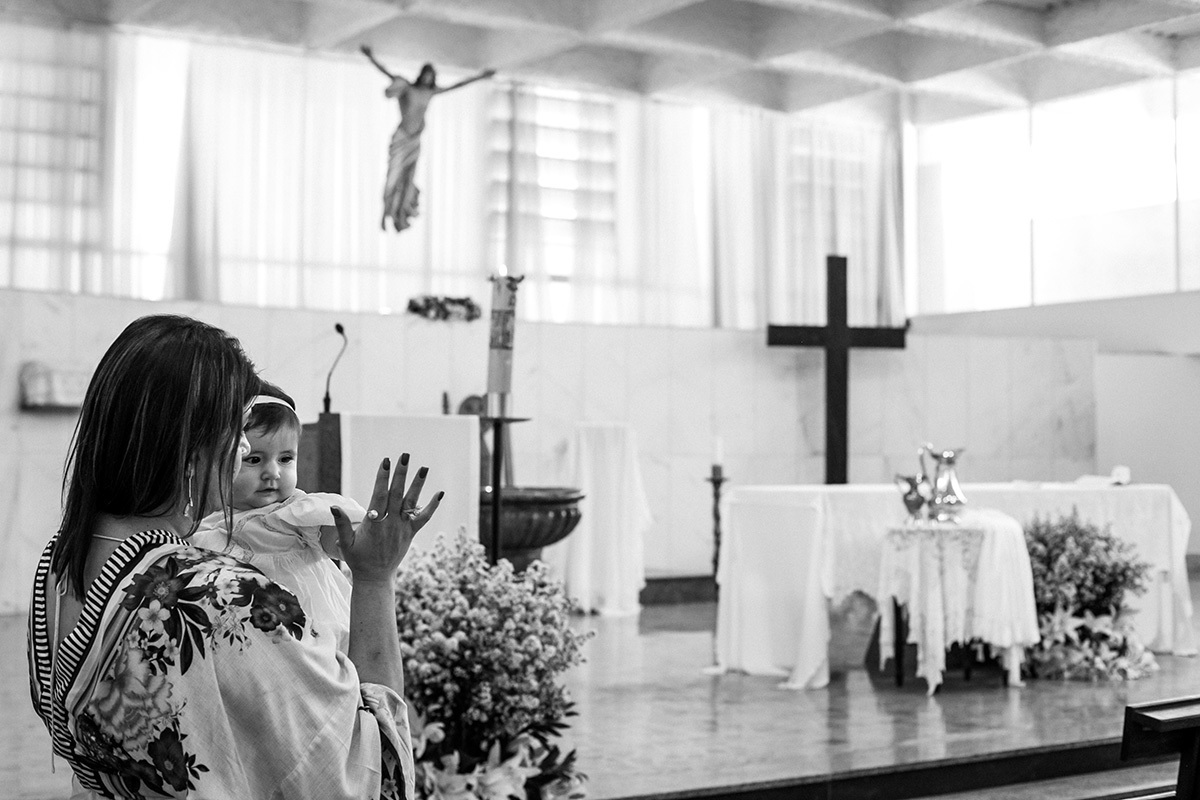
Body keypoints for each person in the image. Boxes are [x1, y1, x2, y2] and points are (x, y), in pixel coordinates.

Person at [27, 314, 443, 799]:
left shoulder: (58, 566)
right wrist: (373, 579)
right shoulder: (226, 599)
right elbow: (367, 774)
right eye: (234, 427)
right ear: (188, 445)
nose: (244, 445)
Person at [192, 380, 363, 655]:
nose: (273, 473)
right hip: (244, 641)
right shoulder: (208, 524)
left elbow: (337, 535)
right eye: (255, 460)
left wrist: (361, 540)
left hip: (305, 634)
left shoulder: (293, 512)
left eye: (285, 459)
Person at [361, 44, 495, 232]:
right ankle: (385, 211)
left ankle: (400, 213)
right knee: (393, 175)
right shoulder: (408, 88)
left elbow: (457, 86)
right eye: (425, 75)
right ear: (421, 75)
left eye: (430, 76)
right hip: (401, 138)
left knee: (408, 176)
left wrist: (481, 77)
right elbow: (388, 73)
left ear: (433, 78)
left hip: (415, 141)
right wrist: (371, 57)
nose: (427, 78)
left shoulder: (431, 92)